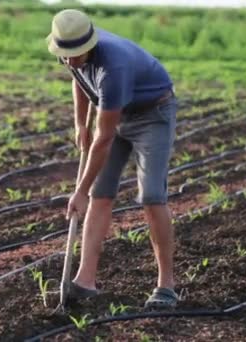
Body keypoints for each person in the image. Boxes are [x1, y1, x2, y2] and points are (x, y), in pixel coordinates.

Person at [46, 9, 178, 309]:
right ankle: (85, 280)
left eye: (74, 55)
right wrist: (80, 123)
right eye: (64, 55)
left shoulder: (112, 68)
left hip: (152, 114)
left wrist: (78, 191)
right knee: (100, 194)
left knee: (152, 196)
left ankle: (166, 286)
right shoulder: (72, 49)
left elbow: (103, 138)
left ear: (89, 45)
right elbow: (78, 78)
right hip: (116, 111)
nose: (68, 60)